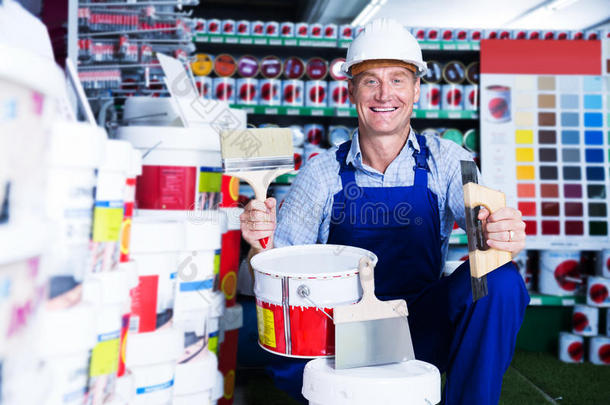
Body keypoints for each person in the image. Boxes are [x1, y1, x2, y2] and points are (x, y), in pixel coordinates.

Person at [240, 18, 529, 405]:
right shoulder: (320, 172)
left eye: (397, 79)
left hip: (421, 327)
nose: (384, 94)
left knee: (501, 278)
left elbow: (483, 225)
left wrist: (499, 232)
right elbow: (272, 274)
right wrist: (259, 245)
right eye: (370, 80)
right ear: (351, 90)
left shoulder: (450, 160)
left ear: (416, 90)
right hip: (338, 333)